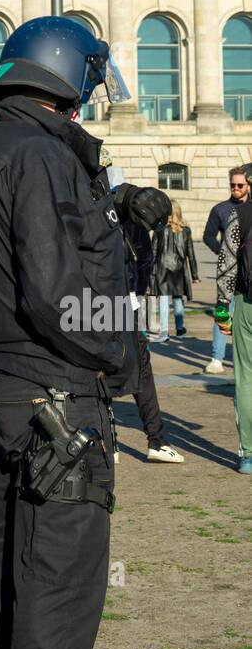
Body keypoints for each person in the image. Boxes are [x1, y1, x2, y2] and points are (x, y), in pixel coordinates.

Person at [0, 15, 171, 649]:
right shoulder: (42, 158)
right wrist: (118, 352)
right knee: (58, 596)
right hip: (59, 400)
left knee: (8, 577)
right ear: (68, 78)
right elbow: (55, 293)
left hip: (8, 391)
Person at [114, 175, 185, 464]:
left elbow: (144, 260)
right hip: (116, 301)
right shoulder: (125, 215)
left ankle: (120, 439)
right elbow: (144, 261)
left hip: (104, 301)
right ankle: (153, 439)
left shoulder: (100, 209)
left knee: (122, 369)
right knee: (138, 370)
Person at [216, 198, 252, 472]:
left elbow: (227, 263)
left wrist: (221, 308)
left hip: (246, 302)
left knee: (245, 378)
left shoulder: (238, 214)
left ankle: (248, 454)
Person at [202, 167, 248, 374]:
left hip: (249, 270)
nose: (236, 188)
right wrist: (223, 252)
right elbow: (208, 235)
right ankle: (216, 358)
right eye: (233, 185)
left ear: (247, 185)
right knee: (222, 311)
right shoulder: (220, 209)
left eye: (240, 185)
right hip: (228, 272)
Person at [146, 201, 198, 343]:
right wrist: (195, 274)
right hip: (179, 268)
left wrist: (150, 270)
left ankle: (164, 331)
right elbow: (190, 253)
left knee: (163, 299)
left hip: (162, 267)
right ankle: (180, 328)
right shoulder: (185, 230)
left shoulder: (159, 229)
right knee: (177, 298)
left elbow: (153, 251)